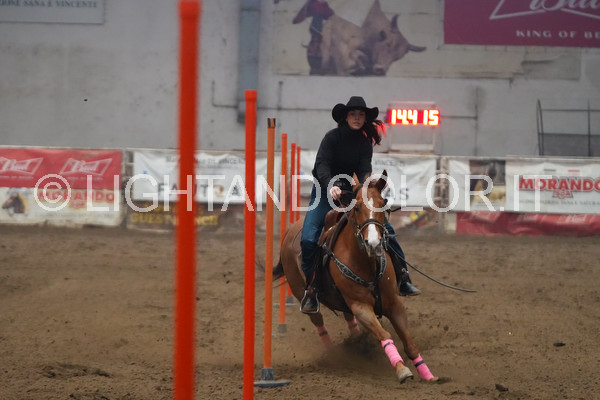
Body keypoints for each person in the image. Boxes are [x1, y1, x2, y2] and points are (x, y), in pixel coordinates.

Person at [300, 96, 420, 314]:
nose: (357, 118)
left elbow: (364, 170)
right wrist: (331, 185)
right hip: (325, 191)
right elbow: (322, 165)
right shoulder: (331, 138)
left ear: (365, 119)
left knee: (386, 230)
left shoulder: (365, 144)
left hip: (352, 192)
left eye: (361, 115)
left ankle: (403, 277)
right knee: (308, 239)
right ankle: (311, 289)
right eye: (353, 114)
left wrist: (367, 189)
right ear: (346, 117)